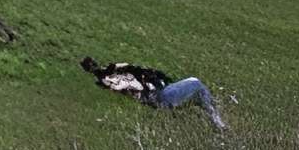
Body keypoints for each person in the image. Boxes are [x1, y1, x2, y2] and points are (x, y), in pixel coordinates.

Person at [80, 56, 228, 129]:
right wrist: (114, 68)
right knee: (196, 82)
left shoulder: (108, 78)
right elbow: (126, 69)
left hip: (157, 97)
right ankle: (217, 121)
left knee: (195, 92)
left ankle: (210, 114)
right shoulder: (111, 78)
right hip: (161, 96)